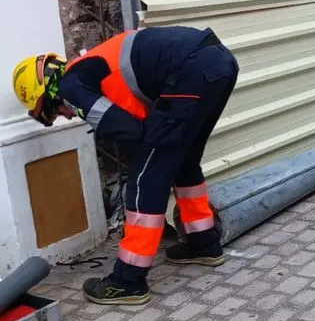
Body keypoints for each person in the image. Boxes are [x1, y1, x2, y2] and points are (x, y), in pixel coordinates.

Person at [11, 26, 239, 305]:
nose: (66, 116)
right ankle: (202, 242)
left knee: (146, 175)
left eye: (52, 110)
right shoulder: (89, 69)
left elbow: (127, 131)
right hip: (219, 64)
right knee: (184, 160)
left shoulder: (70, 85)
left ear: (48, 91)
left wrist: (150, 156)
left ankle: (127, 280)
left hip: (190, 70)